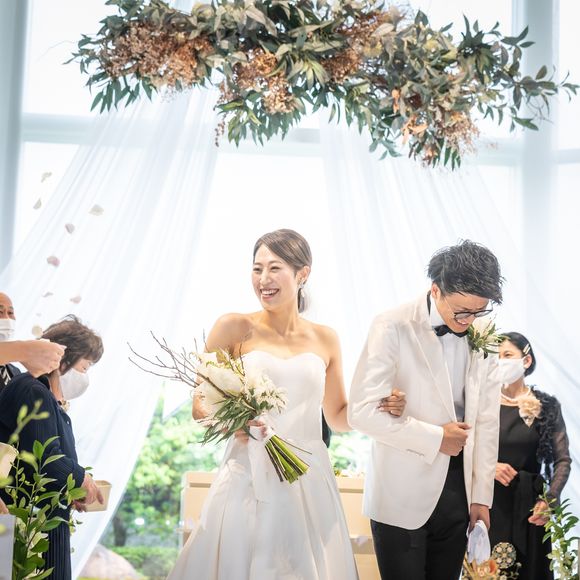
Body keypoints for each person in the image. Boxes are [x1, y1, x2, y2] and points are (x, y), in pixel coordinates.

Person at [168, 229, 405, 580]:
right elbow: (200, 405)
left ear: (302, 273)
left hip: (309, 475)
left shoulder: (326, 338)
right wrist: (235, 422)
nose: (263, 279)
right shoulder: (233, 326)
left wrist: (377, 403)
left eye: (274, 268)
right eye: (257, 269)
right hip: (247, 472)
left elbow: (338, 417)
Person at [349, 240, 503, 580]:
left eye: (478, 311)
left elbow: (487, 420)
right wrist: (436, 438)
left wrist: (481, 497)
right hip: (400, 493)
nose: (469, 320)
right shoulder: (392, 325)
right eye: (461, 312)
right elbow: (360, 412)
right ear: (436, 290)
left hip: (459, 494)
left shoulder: (485, 334)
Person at [0, 315, 104, 580]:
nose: (85, 376)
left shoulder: (46, 397)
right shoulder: (32, 390)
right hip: (26, 520)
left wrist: (71, 489)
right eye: (85, 366)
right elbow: (44, 457)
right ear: (63, 360)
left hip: (40, 519)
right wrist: (82, 479)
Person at [489, 332, 571, 579]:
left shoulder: (547, 406)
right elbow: (465, 448)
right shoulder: (483, 402)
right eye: (497, 356)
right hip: (488, 504)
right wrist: (488, 467)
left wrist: (549, 501)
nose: (501, 361)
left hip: (531, 507)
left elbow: (562, 460)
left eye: (507, 355)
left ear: (526, 360)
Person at [0, 291, 65, 388]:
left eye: (10, 313)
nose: (6, 318)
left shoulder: (15, 372)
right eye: (0, 312)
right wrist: (26, 351)